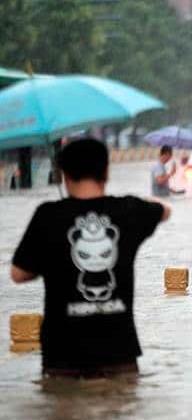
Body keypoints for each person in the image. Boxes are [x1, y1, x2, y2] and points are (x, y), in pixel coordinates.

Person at [10, 138, 170, 378]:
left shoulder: (48, 215)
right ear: (106, 171)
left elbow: (18, 274)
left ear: (63, 174)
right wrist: (144, 203)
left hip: (62, 358)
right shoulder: (129, 210)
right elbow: (165, 211)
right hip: (119, 355)